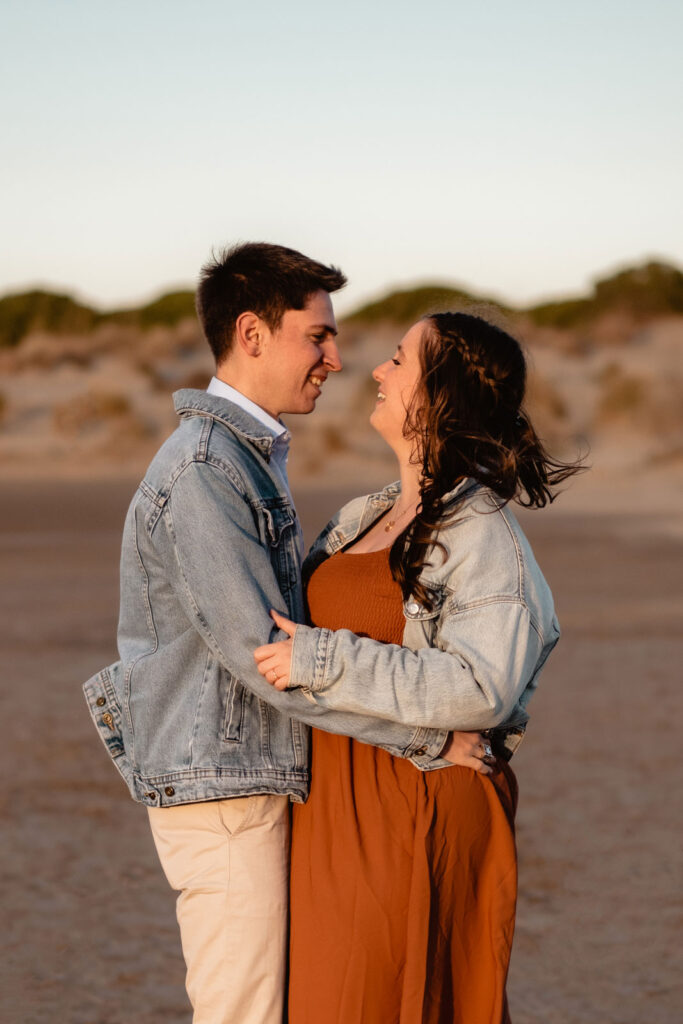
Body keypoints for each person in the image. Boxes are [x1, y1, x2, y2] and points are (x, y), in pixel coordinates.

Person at [82, 244, 486, 1024]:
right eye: (317, 336)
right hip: (224, 789)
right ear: (252, 334)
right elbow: (263, 659)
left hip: (241, 776)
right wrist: (430, 739)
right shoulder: (206, 469)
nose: (336, 359)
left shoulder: (244, 456)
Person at [255, 311, 581, 1024]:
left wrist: (323, 657)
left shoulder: (481, 532)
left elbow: (480, 688)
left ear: (441, 394)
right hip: (331, 802)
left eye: (399, 359)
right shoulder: (361, 516)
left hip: (416, 805)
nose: (376, 369)